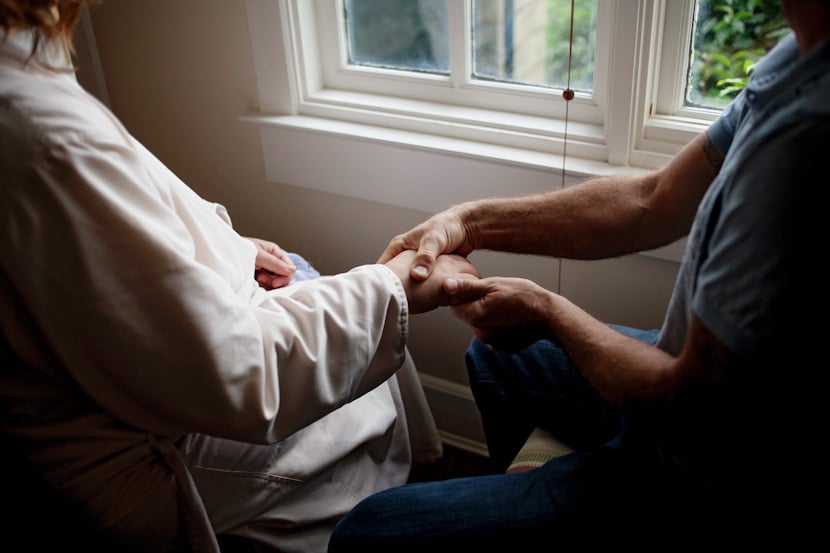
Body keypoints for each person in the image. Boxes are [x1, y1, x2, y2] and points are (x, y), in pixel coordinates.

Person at [328, 0, 830, 550]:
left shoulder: (806, 136)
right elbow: (652, 199)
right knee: (496, 355)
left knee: (364, 532)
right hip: (693, 386)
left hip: (708, 463)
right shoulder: (793, 62)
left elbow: (689, 400)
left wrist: (547, 311)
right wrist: (468, 222)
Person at [0, 1, 480, 552]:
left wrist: (223, 245)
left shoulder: (27, 75)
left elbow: (92, 241)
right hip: (150, 441)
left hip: (128, 383)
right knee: (357, 351)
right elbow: (240, 378)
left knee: (303, 273)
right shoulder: (45, 134)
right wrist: (393, 282)